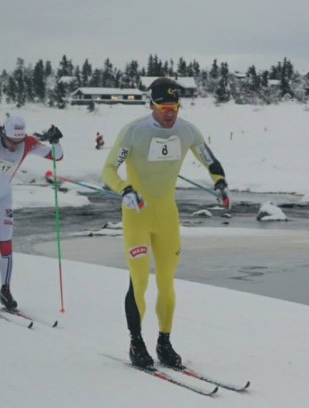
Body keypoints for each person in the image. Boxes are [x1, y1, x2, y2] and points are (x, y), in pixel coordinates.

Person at [102, 77, 231, 368]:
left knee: (167, 283)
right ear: (152, 105)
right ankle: (136, 343)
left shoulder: (187, 131)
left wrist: (220, 183)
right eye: (164, 107)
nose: (170, 113)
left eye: (174, 106)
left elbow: (210, 160)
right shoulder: (134, 132)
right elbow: (109, 168)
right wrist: (125, 190)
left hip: (167, 217)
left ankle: (164, 341)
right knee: (139, 281)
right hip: (137, 216)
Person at [0, 115, 64, 311]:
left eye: (19, 141)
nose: (15, 146)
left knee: (6, 244)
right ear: (4, 134)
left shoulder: (28, 143)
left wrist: (55, 140)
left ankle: (5, 290)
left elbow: (57, 155)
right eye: (11, 141)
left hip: (3, 195)